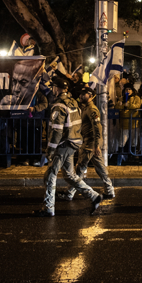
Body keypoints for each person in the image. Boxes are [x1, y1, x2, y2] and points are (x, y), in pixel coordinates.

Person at [33, 76, 102, 217]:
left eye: (53, 87)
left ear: (56, 88)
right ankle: (94, 196)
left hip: (63, 144)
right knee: (69, 175)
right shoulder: (73, 103)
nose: (52, 89)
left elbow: (57, 130)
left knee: (50, 174)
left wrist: (50, 149)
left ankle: (48, 208)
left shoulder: (59, 105)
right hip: (73, 143)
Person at [58, 84, 115, 201]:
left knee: (80, 168)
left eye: (83, 94)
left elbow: (97, 128)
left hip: (90, 143)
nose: (80, 96)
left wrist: (96, 145)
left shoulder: (92, 109)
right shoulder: (85, 108)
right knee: (100, 167)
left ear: (90, 96)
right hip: (90, 143)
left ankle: (69, 193)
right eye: (80, 94)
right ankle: (109, 190)